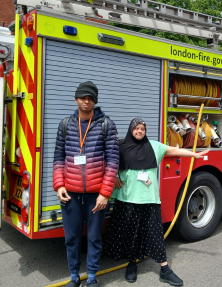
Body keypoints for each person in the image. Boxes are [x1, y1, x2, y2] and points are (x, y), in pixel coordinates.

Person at [104, 117, 209, 286]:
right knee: (131, 234)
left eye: (142, 129)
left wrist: (194, 154)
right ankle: (131, 264)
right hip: (127, 199)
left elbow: (175, 151)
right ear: (131, 130)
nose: (139, 131)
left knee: (156, 235)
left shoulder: (154, 146)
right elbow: (107, 160)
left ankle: (164, 269)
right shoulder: (121, 146)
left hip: (149, 199)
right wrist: (114, 175)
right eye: (136, 128)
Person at [53, 81, 119, 287]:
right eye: (83, 97)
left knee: (93, 238)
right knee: (71, 239)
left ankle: (91, 277)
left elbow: (113, 161)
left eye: (90, 98)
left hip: (95, 196)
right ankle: (74, 277)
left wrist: (105, 193)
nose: (86, 101)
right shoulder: (65, 124)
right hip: (70, 195)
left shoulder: (106, 124)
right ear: (76, 99)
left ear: (95, 101)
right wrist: (59, 185)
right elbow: (58, 158)